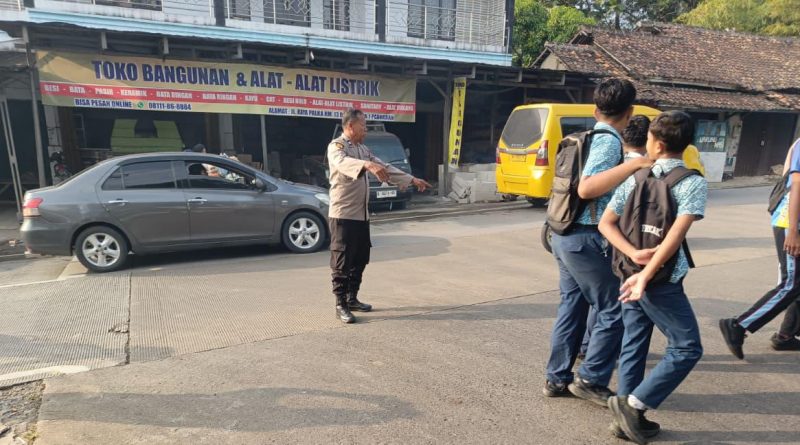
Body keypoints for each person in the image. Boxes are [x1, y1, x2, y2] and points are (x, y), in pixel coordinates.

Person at [599, 111, 707, 444]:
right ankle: (633, 406)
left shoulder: (636, 177)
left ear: (657, 145)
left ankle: (626, 420)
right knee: (687, 347)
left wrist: (634, 257)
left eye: (647, 139)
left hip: (629, 273)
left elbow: (606, 223)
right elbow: (674, 236)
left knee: (633, 343)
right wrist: (647, 275)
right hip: (660, 281)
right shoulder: (692, 182)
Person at [544, 78, 652, 404]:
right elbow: (587, 188)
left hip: (564, 235)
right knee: (614, 309)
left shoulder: (587, 136)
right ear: (629, 112)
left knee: (573, 308)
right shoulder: (607, 141)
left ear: (595, 110)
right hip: (586, 238)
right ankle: (591, 379)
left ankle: (557, 379)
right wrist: (636, 163)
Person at [327, 108, 432, 324]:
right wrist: (366, 165)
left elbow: (385, 167)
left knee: (360, 258)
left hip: (361, 214)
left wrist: (411, 180)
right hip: (343, 214)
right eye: (363, 126)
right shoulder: (337, 147)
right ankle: (340, 304)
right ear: (350, 126)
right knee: (342, 260)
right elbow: (342, 164)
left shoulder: (362, 149)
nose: (365, 130)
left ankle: (352, 298)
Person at [579, 114, 652, 360]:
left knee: (600, 300)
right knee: (616, 301)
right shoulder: (642, 169)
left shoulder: (612, 161)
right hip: (624, 240)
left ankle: (588, 345)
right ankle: (599, 353)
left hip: (601, 236)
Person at [719, 138, 800, 358]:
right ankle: (738, 326)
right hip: (792, 224)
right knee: (791, 283)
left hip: (793, 224)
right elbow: (796, 186)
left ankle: (786, 335)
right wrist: (793, 231)